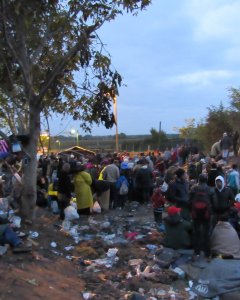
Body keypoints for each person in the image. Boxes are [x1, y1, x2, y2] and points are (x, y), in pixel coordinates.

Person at [190, 174, 213, 260]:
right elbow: (212, 202)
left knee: (196, 232)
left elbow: (189, 200)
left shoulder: (193, 188)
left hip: (196, 213)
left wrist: (191, 210)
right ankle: (207, 253)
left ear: (198, 180)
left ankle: (197, 252)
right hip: (206, 213)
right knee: (206, 233)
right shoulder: (210, 189)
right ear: (206, 180)